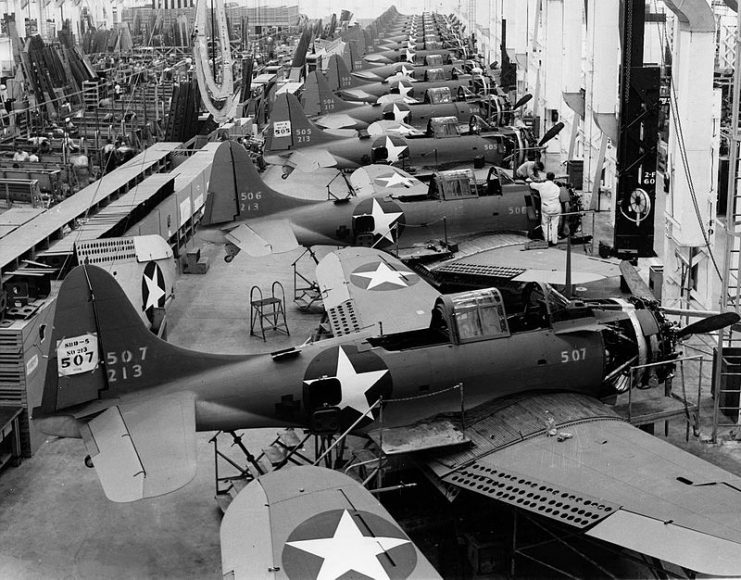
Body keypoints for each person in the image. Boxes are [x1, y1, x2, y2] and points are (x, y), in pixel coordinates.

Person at [529, 172, 562, 246]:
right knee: (554, 224)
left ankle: (548, 239)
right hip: (556, 207)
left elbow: (531, 185)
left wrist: (540, 181)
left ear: (546, 177)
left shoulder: (542, 186)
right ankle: (554, 241)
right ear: (553, 178)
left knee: (545, 224)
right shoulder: (556, 187)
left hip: (546, 207)